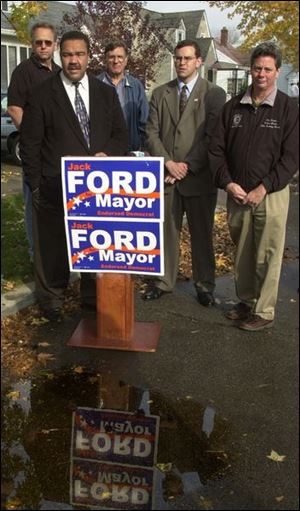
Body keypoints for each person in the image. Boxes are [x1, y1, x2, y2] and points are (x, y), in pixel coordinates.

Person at [20, 30, 128, 321]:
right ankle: (52, 301)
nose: (73, 60)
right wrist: (37, 186)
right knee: (52, 248)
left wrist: (109, 155)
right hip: (55, 186)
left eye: (79, 54)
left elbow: (121, 136)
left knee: (94, 244)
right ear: (59, 54)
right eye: (67, 54)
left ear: (89, 56)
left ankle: (92, 300)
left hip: (97, 189)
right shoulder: (43, 94)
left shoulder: (105, 93)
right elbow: (30, 145)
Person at [209, 42, 299, 331]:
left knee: (269, 252)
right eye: (257, 68)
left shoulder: (288, 109)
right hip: (238, 193)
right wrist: (228, 183)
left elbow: (292, 157)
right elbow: (216, 150)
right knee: (244, 250)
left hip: (270, 194)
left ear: (277, 71)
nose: (261, 74)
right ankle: (246, 301)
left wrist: (265, 186)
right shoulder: (233, 107)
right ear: (250, 69)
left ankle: (265, 310)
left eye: (267, 69)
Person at [144, 39, 226, 305]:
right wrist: (168, 163)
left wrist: (187, 166)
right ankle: (164, 281)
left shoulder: (214, 94)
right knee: (166, 232)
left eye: (187, 58)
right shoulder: (160, 93)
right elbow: (151, 133)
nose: (181, 63)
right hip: (166, 177)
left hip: (199, 177)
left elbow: (212, 137)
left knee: (201, 234)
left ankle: (204, 285)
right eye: (178, 58)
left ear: (199, 61)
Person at [7, 22, 61, 262]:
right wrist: (31, 137)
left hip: (58, 152)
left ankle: (56, 254)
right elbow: (14, 108)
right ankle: (35, 256)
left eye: (47, 42)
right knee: (34, 204)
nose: (42, 46)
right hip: (35, 153)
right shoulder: (23, 71)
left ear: (55, 45)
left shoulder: (60, 73)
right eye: (38, 42)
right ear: (32, 44)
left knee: (57, 204)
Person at [97, 41, 148, 152]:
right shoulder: (95, 85)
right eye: (111, 57)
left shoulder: (136, 86)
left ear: (126, 60)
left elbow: (144, 121)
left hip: (130, 151)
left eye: (120, 57)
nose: (116, 61)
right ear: (105, 59)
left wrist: (144, 149)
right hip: (101, 152)